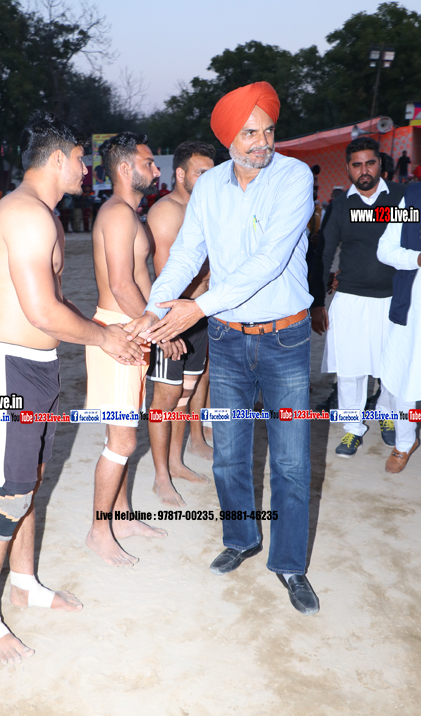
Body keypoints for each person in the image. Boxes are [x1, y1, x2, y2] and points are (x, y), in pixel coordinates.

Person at [124, 81, 320, 615]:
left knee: (290, 460)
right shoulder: (209, 185)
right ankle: (241, 538)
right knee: (229, 451)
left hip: (284, 336)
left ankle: (290, 564)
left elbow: (269, 261)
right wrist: (157, 309)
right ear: (229, 137)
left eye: (269, 130)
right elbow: (188, 253)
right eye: (250, 133)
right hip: (228, 339)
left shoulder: (293, 177)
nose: (263, 142)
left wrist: (197, 308)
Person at [0, 111, 146, 665]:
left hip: (37, 368)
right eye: (81, 159)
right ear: (59, 158)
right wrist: (105, 337)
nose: (87, 169)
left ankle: (24, 585)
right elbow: (41, 311)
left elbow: (55, 302)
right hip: (6, 371)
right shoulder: (25, 214)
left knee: (31, 483)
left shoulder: (43, 215)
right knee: (9, 497)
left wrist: (104, 331)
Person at [85, 132, 184, 567]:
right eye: (149, 163)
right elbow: (122, 284)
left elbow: (143, 281)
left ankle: (121, 518)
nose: (157, 169)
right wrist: (158, 330)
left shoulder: (128, 213)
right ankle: (98, 531)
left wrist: (158, 323)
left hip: (133, 329)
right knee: (123, 440)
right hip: (118, 332)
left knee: (123, 433)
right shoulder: (118, 214)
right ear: (125, 169)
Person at [311, 137, 405, 457]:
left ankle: (387, 415)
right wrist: (318, 303)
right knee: (350, 369)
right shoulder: (340, 206)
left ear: (380, 163)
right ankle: (353, 428)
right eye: (357, 165)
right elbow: (324, 254)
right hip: (350, 299)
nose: (364, 170)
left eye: (370, 163)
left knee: (391, 367)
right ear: (348, 169)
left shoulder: (402, 199)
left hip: (394, 299)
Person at [146, 140, 216, 507]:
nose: (208, 179)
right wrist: (166, 328)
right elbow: (166, 276)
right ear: (180, 174)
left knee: (186, 393)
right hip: (172, 317)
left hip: (200, 312)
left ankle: (176, 461)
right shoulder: (166, 212)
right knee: (165, 398)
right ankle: (161, 477)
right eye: (200, 173)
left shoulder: (204, 208)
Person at [377, 182, 421, 471]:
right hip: (413, 308)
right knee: (403, 373)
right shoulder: (413, 199)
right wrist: (416, 258)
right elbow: (385, 249)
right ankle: (405, 442)